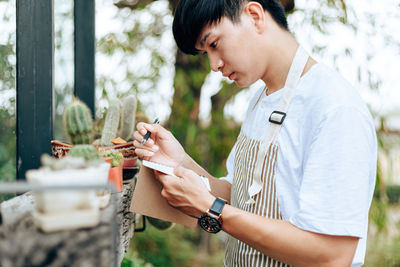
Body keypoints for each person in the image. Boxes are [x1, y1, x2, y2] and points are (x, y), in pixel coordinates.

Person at [133, 0, 377, 266]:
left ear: (254, 15)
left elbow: (333, 254)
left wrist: (211, 209)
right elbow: (239, 196)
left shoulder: (334, 108)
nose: (214, 65)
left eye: (213, 44)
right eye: (206, 53)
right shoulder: (261, 100)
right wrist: (178, 163)